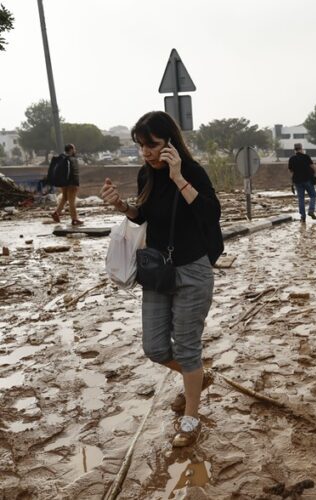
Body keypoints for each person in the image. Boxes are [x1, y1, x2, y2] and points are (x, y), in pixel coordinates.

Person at [99, 111, 223, 448]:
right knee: (154, 348)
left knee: (186, 348)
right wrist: (123, 206)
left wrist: (179, 176)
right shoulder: (145, 175)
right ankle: (197, 376)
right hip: (157, 271)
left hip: (192, 270)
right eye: (141, 146)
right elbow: (144, 216)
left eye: (151, 145)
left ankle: (191, 418)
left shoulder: (192, 171)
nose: (146, 153)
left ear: (169, 142)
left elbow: (211, 214)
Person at [50, 144, 82, 226]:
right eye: (74, 149)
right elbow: (74, 173)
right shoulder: (71, 159)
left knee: (64, 198)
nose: (75, 150)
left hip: (63, 183)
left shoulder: (61, 158)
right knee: (71, 201)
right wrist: (74, 183)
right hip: (71, 183)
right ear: (71, 150)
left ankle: (56, 213)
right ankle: (74, 219)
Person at [288, 143, 316, 221]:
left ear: (295, 150)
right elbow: (313, 167)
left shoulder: (292, 159)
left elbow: (291, 171)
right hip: (307, 180)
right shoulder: (306, 157)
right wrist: (314, 168)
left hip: (297, 181)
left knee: (301, 199)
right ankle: (311, 210)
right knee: (313, 195)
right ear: (301, 148)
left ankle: (302, 217)